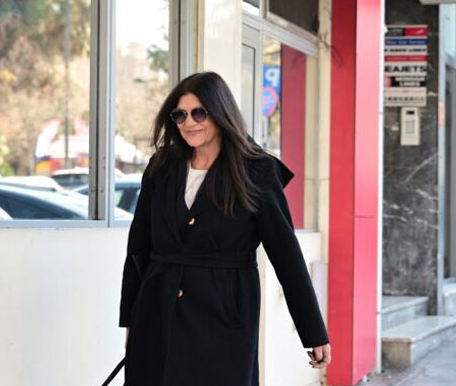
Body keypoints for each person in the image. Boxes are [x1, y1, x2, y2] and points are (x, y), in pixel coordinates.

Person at [118, 72, 330, 385]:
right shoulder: (162, 166)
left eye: (199, 113)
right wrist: (131, 320)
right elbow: (138, 247)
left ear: (220, 112)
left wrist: (313, 331)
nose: (189, 122)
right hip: (158, 309)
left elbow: (286, 256)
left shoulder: (256, 171)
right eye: (180, 115)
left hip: (223, 315)